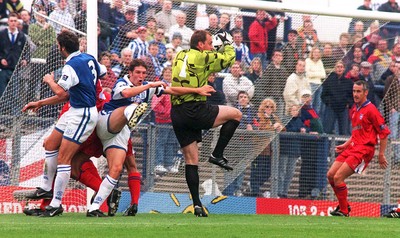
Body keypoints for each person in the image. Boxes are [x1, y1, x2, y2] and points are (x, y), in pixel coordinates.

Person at [87, 58, 214, 217]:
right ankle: (133, 112)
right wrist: (148, 85)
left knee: (117, 169)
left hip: (120, 133)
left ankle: (94, 207)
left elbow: (172, 90)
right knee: (133, 106)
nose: (141, 75)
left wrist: (196, 90)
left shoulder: (150, 87)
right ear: (130, 73)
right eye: (138, 73)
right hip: (106, 122)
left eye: (144, 73)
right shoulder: (122, 82)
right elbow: (126, 93)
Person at [170, 30, 241, 217]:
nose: (211, 46)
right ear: (200, 45)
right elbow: (228, 60)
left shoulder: (180, 54)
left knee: (191, 160)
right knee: (236, 114)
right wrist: (228, 43)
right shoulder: (203, 56)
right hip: (194, 109)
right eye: (210, 43)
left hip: (177, 112)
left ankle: (197, 205)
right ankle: (217, 154)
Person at [37, 30, 106, 217]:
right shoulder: (88, 58)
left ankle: (56, 203)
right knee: (51, 144)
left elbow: (61, 93)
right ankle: (45, 187)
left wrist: (50, 80)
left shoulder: (70, 66)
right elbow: (104, 71)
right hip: (74, 109)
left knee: (64, 159)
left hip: (83, 113)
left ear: (62, 47)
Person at [327, 80, 390, 217]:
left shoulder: (371, 110)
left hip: (364, 150)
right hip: (353, 147)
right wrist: (345, 145)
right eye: (354, 91)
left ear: (365, 93)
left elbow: (384, 133)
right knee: (330, 175)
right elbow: (356, 133)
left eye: (358, 91)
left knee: (338, 177)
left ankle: (344, 211)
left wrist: (381, 154)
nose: (355, 94)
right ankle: (344, 206)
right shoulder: (354, 109)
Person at [250, 98, 284, 197]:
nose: (269, 108)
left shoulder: (274, 117)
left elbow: (282, 127)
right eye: (267, 106)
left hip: (271, 149)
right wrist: (273, 127)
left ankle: (255, 186)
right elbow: (260, 128)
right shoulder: (258, 116)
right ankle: (254, 190)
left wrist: (280, 128)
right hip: (260, 148)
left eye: (271, 107)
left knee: (268, 171)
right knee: (257, 170)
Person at [151, 66, 181, 173]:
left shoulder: (175, 86)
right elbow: (155, 105)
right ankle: (158, 163)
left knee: (171, 142)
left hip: (174, 120)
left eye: (170, 73)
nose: (168, 75)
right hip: (162, 120)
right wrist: (165, 112)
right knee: (161, 142)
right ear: (163, 74)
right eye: (166, 73)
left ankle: (168, 163)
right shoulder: (161, 87)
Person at [278, 104, 305, 198]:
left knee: (290, 173)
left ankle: (285, 192)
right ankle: (279, 191)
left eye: (296, 110)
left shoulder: (300, 121)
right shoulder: (286, 120)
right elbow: (287, 130)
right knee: (281, 171)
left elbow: (304, 129)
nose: (294, 112)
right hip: (285, 149)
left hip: (295, 151)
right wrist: (298, 130)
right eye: (292, 110)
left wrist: (304, 130)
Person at [0, 12, 27, 98]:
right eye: (11, 21)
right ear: (8, 22)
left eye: (15, 21)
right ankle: (2, 111)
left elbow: (26, 50)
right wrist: (1, 59)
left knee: (15, 95)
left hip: (16, 69)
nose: (13, 23)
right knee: (2, 93)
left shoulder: (22, 36)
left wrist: (25, 59)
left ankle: (14, 111)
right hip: (3, 69)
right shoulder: (2, 34)